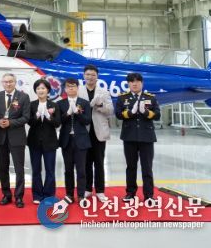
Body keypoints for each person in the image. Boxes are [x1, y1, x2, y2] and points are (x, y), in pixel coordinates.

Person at [115, 72, 161, 203]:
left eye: (137, 81)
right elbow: (118, 114)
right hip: (129, 137)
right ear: (128, 84)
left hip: (147, 137)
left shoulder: (150, 97)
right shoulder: (122, 98)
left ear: (142, 83)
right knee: (131, 167)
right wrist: (130, 112)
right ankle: (130, 193)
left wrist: (146, 112)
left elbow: (157, 115)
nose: (134, 84)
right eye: (131, 82)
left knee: (147, 167)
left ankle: (149, 195)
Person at [0, 73, 30, 208]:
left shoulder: (23, 97)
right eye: (6, 82)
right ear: (2, 83)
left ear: (15, 82)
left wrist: (10, 123)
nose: (8, 84)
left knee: (19, 169)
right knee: (3, 168)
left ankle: (19, 196)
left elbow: (26, 117)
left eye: (11, 81)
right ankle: (6, 195)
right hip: (1, 137)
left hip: (17, 137)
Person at [78, 64, 113, 202]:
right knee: (85, 162)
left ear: (97, 77)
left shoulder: (104, 92)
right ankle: (87, 189)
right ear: (84, 76)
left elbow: (110, 111)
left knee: (99, 162)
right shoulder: (79, 91)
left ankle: (100, 190)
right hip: (84, 132)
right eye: (88, 74)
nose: (90, 77)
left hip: (98, 131)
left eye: (93, 75)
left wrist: (100, 106)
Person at [57, 78, 92, 205]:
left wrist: (77, 113)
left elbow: (87, 121)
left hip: (81, 140)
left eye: (73, 86)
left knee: (81, 170)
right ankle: (69, 194)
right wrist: (67, 113)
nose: (71, 88)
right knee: (68, 170)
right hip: (66, 140)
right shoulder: (60, 103)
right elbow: (58, 122)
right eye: (68, 86)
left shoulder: (84, 103)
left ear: (77, 88)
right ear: (65, 89)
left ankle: (81, 195)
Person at [27, 79, 61, 204]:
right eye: (38, 88)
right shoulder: (31, 105)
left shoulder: (54, 105)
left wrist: (48, 116)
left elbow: (57, 123)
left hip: (50, 142)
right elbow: (29, 122)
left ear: (48, 90)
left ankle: (49, 195)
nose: (40, 90)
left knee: (50, 170)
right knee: (36, 170)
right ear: (35, 91)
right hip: (34, 141)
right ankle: (37, 195)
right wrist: (36, 115)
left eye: (43, 88)